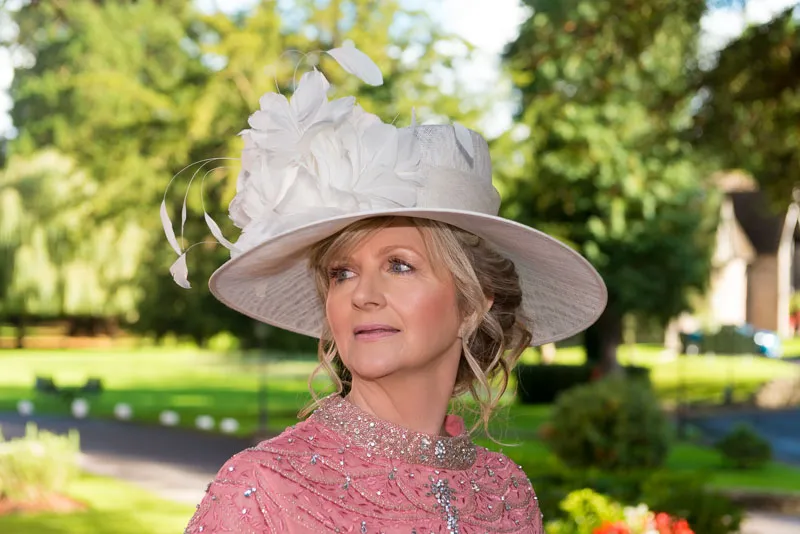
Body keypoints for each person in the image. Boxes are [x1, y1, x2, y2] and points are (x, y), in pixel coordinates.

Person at [164, 45, 607, 534]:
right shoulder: (266, 488)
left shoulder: (507, 493)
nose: (362, 295)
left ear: (472, 306)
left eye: (399, 265)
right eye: (342, 273)